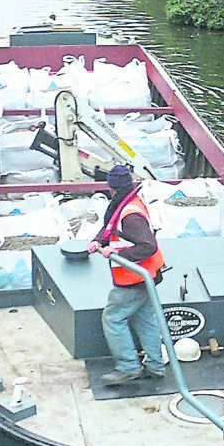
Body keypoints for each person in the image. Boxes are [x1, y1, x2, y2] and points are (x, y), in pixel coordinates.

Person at [87, 165, 166, 385]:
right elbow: (111, 228)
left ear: (111, 189)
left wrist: (116, 252)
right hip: (147, 276)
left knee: (113, 318)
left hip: (135, 279)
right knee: (145, 319)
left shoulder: (130, 215)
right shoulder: (128, 205)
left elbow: (147, 246)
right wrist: (99, 241)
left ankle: (128, 366)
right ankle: (155, 366)